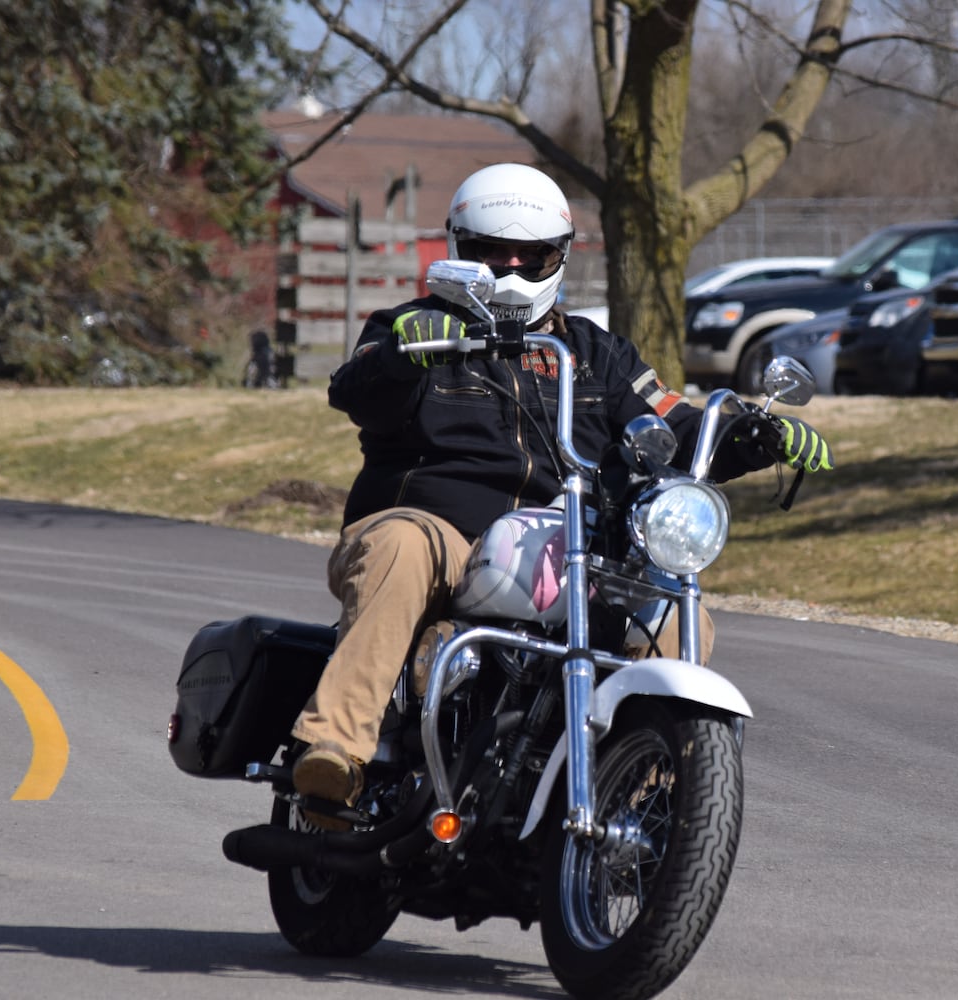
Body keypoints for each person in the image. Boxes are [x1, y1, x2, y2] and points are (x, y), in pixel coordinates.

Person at [288, 162, 833, 826]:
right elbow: (358, 390)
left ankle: (639, 796)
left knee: (674, 615)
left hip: (565, 551)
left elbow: (674, 427)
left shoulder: (598, 355)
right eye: (493, 252)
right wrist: (402, 356)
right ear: (461, 250)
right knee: (403, 543)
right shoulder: (412, 327)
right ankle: (335, 751)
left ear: (560, 257)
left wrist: (754, 433)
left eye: (532, 254)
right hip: (442, 537)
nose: (512, 269)